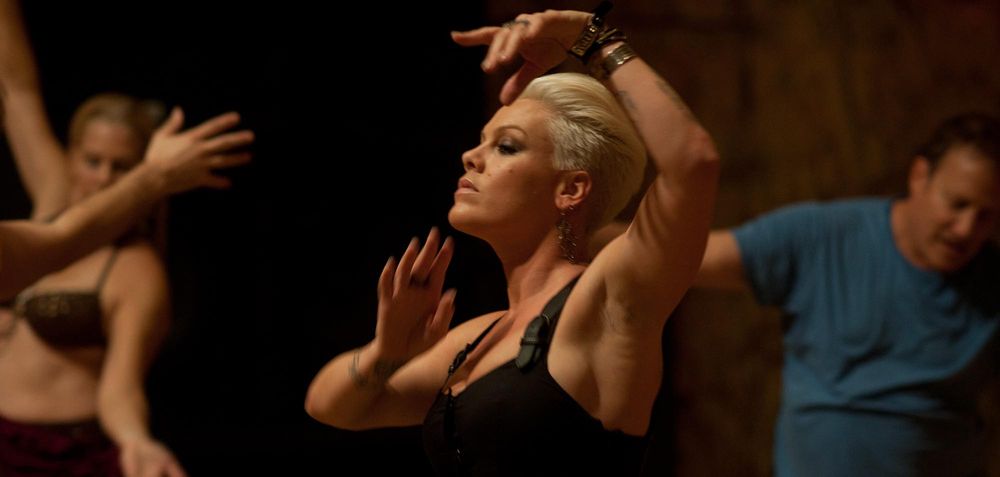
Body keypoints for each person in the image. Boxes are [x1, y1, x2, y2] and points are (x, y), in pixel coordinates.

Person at [305, 4, 720, 475]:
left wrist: (593, 39)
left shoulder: (606, 297)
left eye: (506, 146)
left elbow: (693, 162)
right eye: (481, 141)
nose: (470, 156)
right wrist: (386, 353)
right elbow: (330, 407)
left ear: (571, 189)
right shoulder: (479, 338)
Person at [0, 0, 254, 475]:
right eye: (92, 161)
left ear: (140, 168)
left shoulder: (135, 268)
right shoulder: (54, 199)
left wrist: (136, 439)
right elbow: (16, 90)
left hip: (60, 456)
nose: (102, 178)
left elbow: (120, 389)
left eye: (121, 167)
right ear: (70, 157)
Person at [695, 112, 1000, 476]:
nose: (966, 229)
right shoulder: (822, 238)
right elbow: (685, 258)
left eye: (985, 216)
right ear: (920, 176)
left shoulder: (991, 281)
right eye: (957, 204)